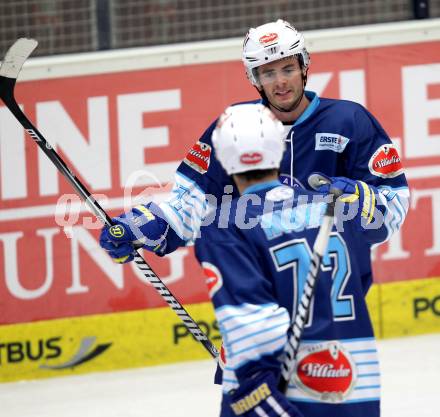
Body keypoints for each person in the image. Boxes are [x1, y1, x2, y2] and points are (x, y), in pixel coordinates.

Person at [99, 18, 409, 263]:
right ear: (254, 79)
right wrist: (142, 225)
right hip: (260, 286)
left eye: (288, 68)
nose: (281, 81)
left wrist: (363, 202)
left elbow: (393, 202)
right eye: (268, 73)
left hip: (331, 287)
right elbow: (192, 199)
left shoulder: (349, 121)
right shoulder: (235, 126)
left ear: (304, 67)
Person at [193, 103, 383, 417]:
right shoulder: (336, 209)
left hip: (278, 392)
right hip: (354, 381)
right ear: (279, 148)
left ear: (223, 158)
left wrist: (252, 386)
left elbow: (250, 321)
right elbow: (361, 280)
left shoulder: (224, 225)